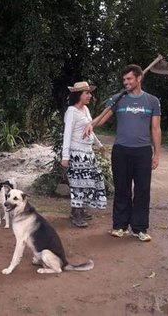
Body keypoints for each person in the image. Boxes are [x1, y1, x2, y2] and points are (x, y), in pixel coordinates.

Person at [84, 64, 161, 242]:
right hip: (121, 150)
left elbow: (156, 129)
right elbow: (103, 118)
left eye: (129, 79)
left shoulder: (152, 101)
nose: (125, 82)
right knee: (122, 189)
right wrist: (91, 124)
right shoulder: (118, 99)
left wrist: (156, 154)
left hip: (142, 151)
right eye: (124, 79)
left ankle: (139, 228)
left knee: (142, 190)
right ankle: (119, 225)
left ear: (139, 78)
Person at [61, 81, 107, 228]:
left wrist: (98, 144)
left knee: (88, 184)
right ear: (78, 95)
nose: (89, 95)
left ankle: (78, 210)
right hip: (77, 153)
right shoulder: (71, 112)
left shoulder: (85, 110)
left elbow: (90, 128)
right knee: (78, 184)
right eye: (86, 93)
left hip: (88, 153)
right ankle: (77, 214)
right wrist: (65, 156)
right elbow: (67, 135)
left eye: (89, 92)